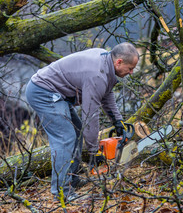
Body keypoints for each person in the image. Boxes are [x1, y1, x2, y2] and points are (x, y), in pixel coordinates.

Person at [25, 42, 139, 202]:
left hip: (57, 93)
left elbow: (107, 94)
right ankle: (61, 191)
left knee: (76, 132)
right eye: (130, 68)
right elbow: (90, 116)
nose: (132, 72)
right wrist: (93, 152)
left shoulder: (106, 62)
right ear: (119, 62)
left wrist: (117, 121)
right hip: (43, 91)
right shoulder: (97, 75)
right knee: (65, 137)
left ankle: (71, 178)